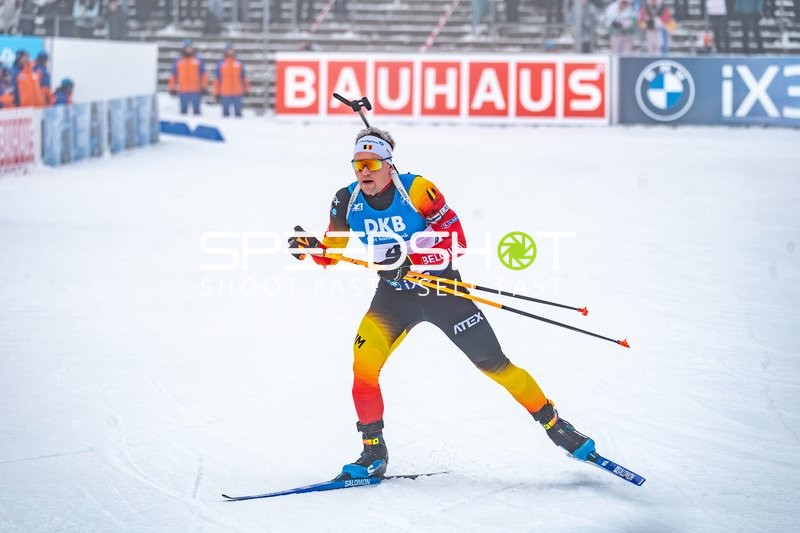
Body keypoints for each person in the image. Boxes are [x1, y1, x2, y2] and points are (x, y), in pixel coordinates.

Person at [287, 127, 597, 481]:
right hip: (392, 297)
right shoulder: (346, 200)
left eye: (372, 163)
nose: (364, 172)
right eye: (357, 165)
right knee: (363, 367)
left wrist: (414, 258)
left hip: (442, 292)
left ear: (389, 164)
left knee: (495, 365)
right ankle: (374, 452)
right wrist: (311, 247)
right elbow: (331, 254)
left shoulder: (419, 189)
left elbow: (458, 242)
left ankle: (555, 425)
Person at [168, 39, 208, 115]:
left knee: (197, 112)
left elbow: (203, 75)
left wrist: (204, 86)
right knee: (183, 112)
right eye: (187, 47)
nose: (188, 49)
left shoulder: (198, 60)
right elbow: (173, 75)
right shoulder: (178, 60)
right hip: (183, 90)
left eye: (190, 47)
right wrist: (171, 87)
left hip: (195, 90)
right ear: (183, 48)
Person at [213, 43, 250, 118]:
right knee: (225, 114)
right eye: (228, 50)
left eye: (231, 50)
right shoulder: (221, 63)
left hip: (237, 92)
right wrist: (216, 92)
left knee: (238, 114)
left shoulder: (239, 63)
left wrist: (247, 89)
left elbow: (244, 78)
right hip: (225, 92)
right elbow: (217, 79)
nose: (230, 52)